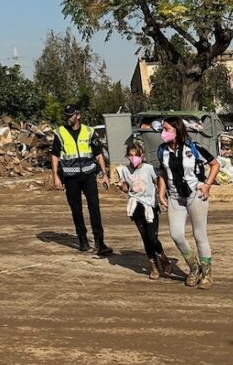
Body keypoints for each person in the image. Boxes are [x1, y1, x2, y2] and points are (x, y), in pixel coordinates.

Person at [156, 116, 220, 289]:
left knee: (200, 235)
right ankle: (194, 267)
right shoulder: (162, 150)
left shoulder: (193, 148)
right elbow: (162, 172)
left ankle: (207, 274)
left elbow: (215, 164)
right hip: (175, 197)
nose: (164, 133)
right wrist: (161, 192)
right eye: (163, 129)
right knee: (176, 234)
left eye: (167, 129)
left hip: (195, 196)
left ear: (177, 130)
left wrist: (207, 185)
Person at [51, 104, 112, 255]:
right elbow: (55, 155)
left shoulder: (89, 132)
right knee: (76, 209)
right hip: (70, 177)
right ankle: (82, 240)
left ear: (78, 116)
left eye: (70, 115)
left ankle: (99, 241)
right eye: (66, 115)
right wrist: (55, 176)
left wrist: (104, 174)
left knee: (94, 208)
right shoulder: (60, 133)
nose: (67, 118)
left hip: (88, 176)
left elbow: (98, 154)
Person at [116, 142, 170, 279]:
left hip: (150, 205)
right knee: (145, 237)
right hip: (136, 206)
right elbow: (127, 189)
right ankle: (153, 266)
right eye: (130, 155)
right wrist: (121, 186)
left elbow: (157, 181)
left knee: (152, 237)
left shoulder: (149, 168)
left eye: (135, 155)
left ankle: (162, 256)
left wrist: (161, 197)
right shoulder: (125, 170)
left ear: (142, 156)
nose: (133, 158)